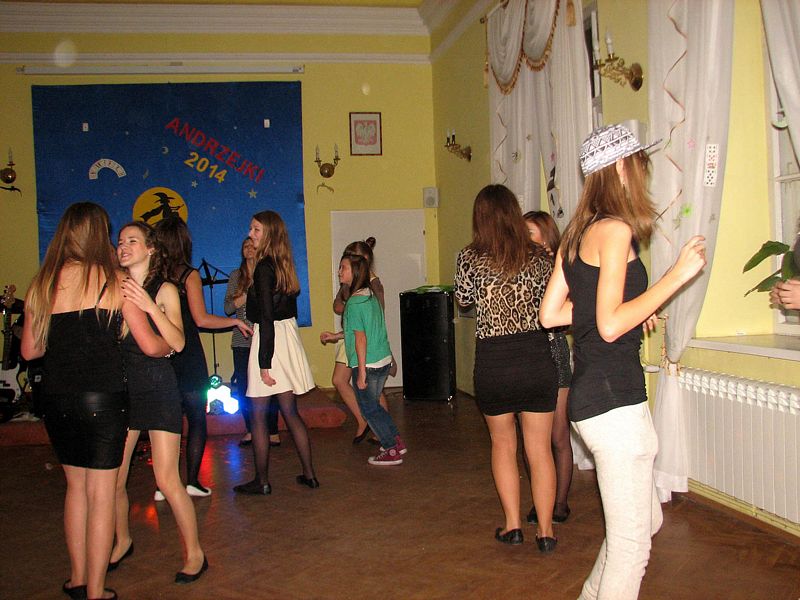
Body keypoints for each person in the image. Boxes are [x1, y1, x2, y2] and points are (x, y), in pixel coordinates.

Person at [540, 123, 706, 599]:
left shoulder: (577, 235)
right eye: (638, 163)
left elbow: (552, 314)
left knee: (644, 522)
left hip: (597, 397)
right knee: (632, 547)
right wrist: (674, 278)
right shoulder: (615, 230)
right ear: (619, 168)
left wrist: (633, 307)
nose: (642, 172)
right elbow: (610, 324)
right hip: (613, 403)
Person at [20, 202, 161, 600]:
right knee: (101, 495)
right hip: (103, 399)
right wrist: (172, 345)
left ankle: (78, 579)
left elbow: (30, 350)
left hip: (57, 399)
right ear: (99, 234)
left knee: (75, 490)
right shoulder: (114, 281)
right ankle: (96, 591)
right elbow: (149, 344)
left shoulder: (42, 283)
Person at [454, 185, 558, 553]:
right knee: (539, 449)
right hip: (535, 357)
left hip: (494, 361)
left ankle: (513, 525)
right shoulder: (540, 257)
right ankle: (545, 531)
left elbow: (463, 301)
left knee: (502, 444)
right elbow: (553, 303)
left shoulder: (469, 257)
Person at [111, 221, 207, 585]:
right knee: (113, 478)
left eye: (132, 240)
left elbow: (178, 342)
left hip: (158, 387)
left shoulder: (165, 288)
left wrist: (150, 306)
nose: (123, 246)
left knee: (167, 480)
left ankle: (195, 553)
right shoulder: (114, 287)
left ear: (150, 248)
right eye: (120, 241)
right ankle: (122, 540)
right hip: (123, 391)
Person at [155, 216, 252, 498]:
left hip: (159, 351)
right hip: (186, 353)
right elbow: (201, 319)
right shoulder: (188, 275)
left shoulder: (152, 277)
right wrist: (234, 321)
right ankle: (192, 482)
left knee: (166, 422)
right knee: (196, 416)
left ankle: (163, 485)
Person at [234, 210, 317, 494]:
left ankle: (262, 481)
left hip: (270, 340)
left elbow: (266, 317)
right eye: (251, 228)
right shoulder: (283, 263)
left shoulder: (264, 267)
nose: (250, 234)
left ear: (269, 233)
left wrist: (264, 362)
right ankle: (309, 475)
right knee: (290, 411)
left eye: (256, 229)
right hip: (285, 336)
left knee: (258, 415)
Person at [322, 253, 405, 465]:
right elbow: (361, 330)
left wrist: (360, 373)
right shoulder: (369, 296)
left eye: (343, 267)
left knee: (369, 409)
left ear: (355, 272)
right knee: (375, 406)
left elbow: (360, 338)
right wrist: (335, 336)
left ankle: (391, 449)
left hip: (368, 364)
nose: (339, 271)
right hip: (382, 361)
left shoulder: (354, 303)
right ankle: (396, 441)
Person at [522, 210, 573, 524]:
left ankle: (560, 502)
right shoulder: (521, 266)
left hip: (553, 350)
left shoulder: (562, 268)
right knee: (532, 440)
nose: (523, 237)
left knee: (558, 435)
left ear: (545, 235)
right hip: (527, 353)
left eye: (529, 232)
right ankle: (541, 500)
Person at [323, 238, 391, 444]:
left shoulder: (372, 285)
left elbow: (373, 319)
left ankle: (385, 434)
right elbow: (337, 305)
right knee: (340, 380)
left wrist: (352, 307)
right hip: (350, 336)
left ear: (365, 260)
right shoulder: (352, 285)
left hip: (363, 342)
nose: (342, 269)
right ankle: (366, 422)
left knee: (371, 389)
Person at [224, 237, 281, 449]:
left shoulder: (267, 273)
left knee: (269, 384)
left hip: (264, 337)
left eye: (252, 245)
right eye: (245, 246)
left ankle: (272, 430)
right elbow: (228, 308)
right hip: (242, 339)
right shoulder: (236, 276)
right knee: (244, 387)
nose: (249, 249)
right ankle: (250, 429)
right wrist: (246, 295)